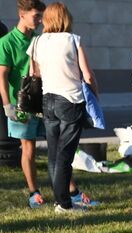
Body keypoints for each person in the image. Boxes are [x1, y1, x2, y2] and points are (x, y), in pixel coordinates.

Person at [28, 2, 100, 213]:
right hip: (70, 100)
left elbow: (35, 74)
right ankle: (64, 203)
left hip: (47, 100)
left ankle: (61, 201)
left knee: (53, 154)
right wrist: (95, 94)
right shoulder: (72, 40)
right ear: (65, 18)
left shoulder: (37, 41)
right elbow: (87, 75)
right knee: (65, 155)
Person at [0, 0, 49, 208]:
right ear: (22, 14)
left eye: (41, 16)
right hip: (22, 105)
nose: (39, 21)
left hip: (44, 102)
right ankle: (34, 193)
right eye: (36, 16)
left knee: (57, 145)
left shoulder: (40, 39)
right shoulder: (7, 42)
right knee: (28, 148)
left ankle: (69, 189)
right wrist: (7, 105)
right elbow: (2, 76)